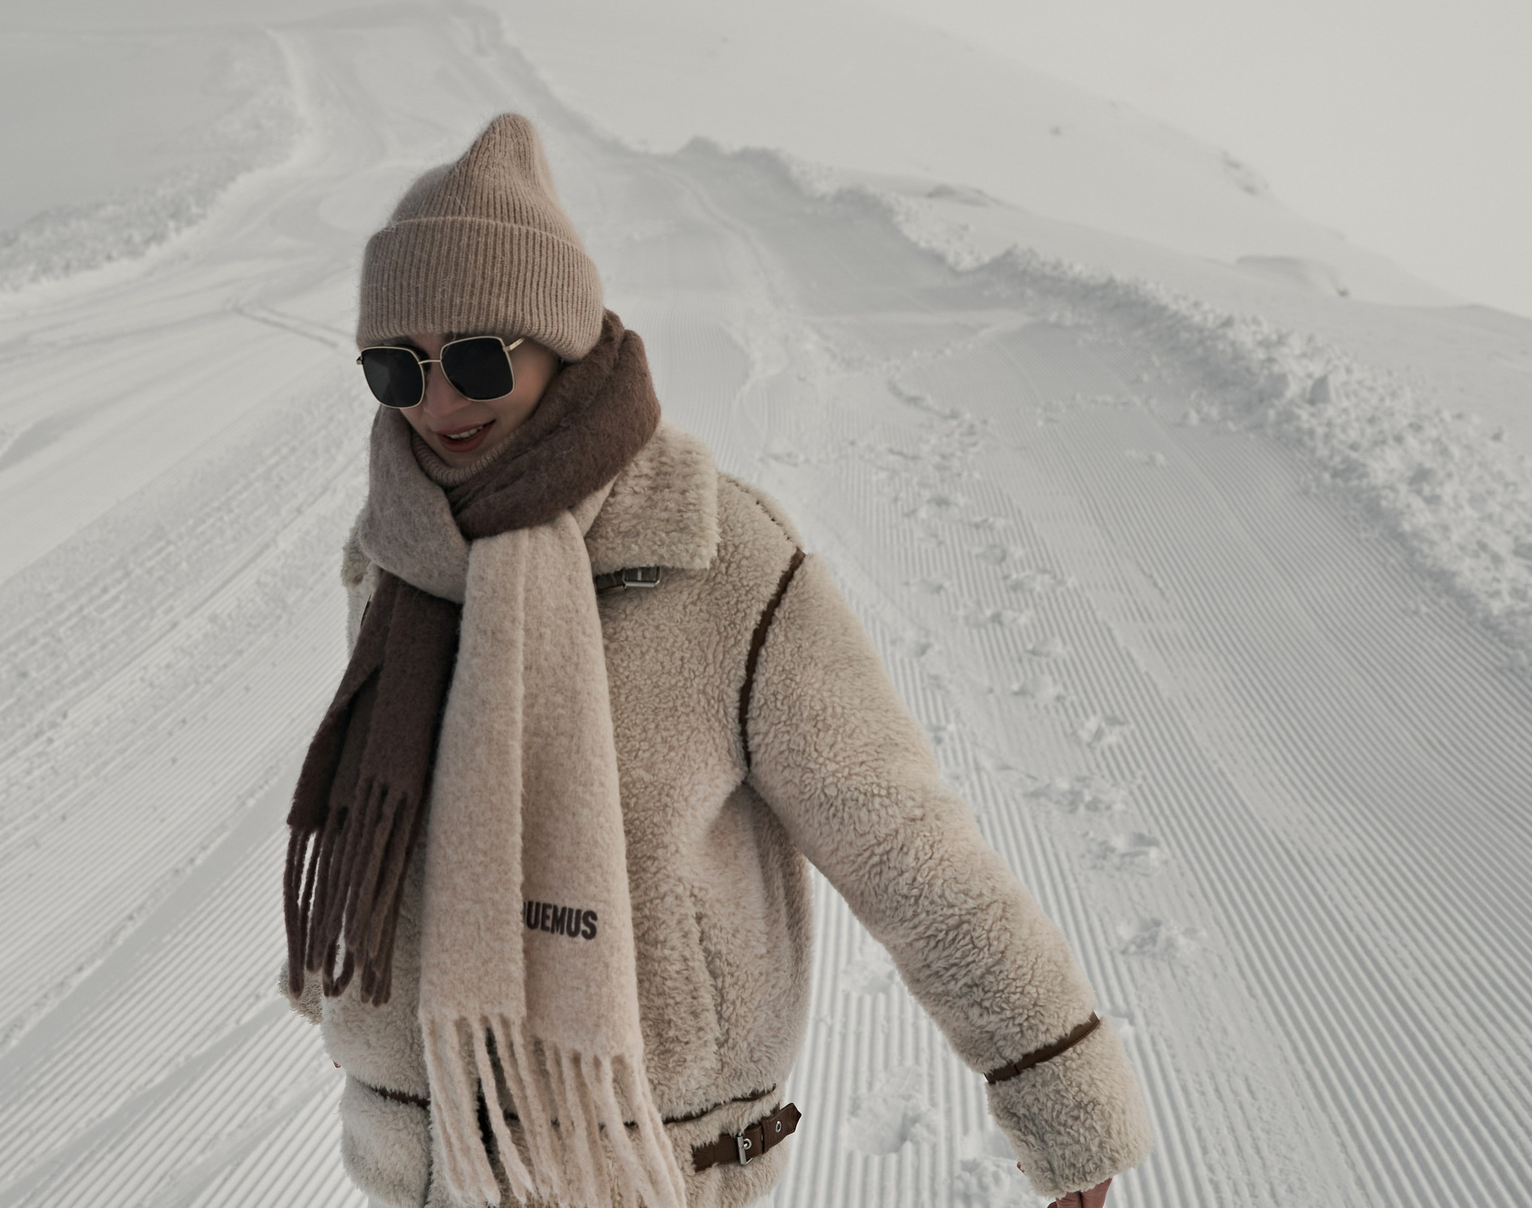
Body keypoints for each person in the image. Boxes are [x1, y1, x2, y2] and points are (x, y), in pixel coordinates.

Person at [283, 113, 1150, 1208]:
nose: (437, 402)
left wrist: (1057, 1081)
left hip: (660, 1164)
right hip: (427, 1159)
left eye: (475, 357)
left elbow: (897, 835)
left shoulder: (718, 553)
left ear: (559, 338)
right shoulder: (393, 556)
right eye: (395, 368)